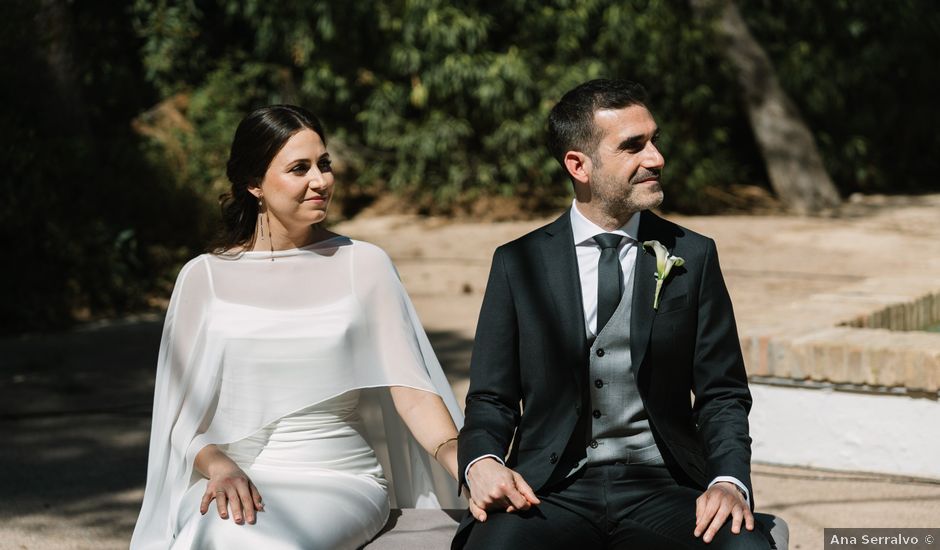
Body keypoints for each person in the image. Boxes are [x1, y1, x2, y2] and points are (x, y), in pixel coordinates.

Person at [455, 79, 774, 549]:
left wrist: (728, 481)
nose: (656, 158)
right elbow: (490, 398)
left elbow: (722, 393)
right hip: (550, 490)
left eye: (654, 140)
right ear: (578, 165)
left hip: (667, 485)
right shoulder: (517, 263)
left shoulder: (694, 254)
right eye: (633, 146)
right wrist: (481, 462)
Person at [131, 105, 464, 550]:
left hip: (338, 479)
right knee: (206, 536)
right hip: (233, 477)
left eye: (324, 164)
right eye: (299, 168)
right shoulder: (202, 277)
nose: (320, 180)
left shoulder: (363, 265)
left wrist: (467, 461)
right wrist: (218, 466)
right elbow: (182, 419)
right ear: (254, 184)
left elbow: (413, 393)